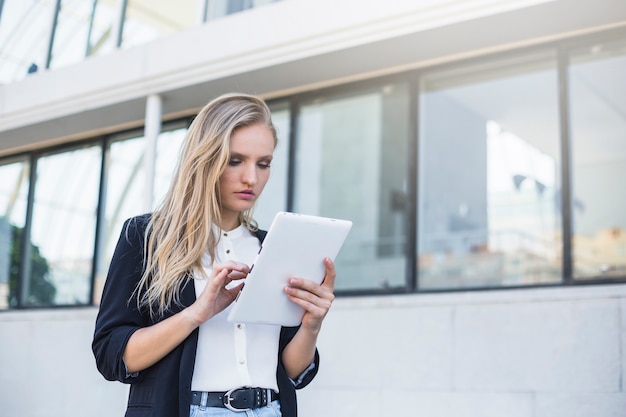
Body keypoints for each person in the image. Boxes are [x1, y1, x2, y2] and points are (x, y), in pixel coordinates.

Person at [92, 93, 337, 417]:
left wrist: (311, 325)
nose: (252, 177)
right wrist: (196, 313)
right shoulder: (146, 236)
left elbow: (293, 372)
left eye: (263, 164)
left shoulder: (273, 246)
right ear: (204, 158)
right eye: (236, 160)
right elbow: (111, 354)